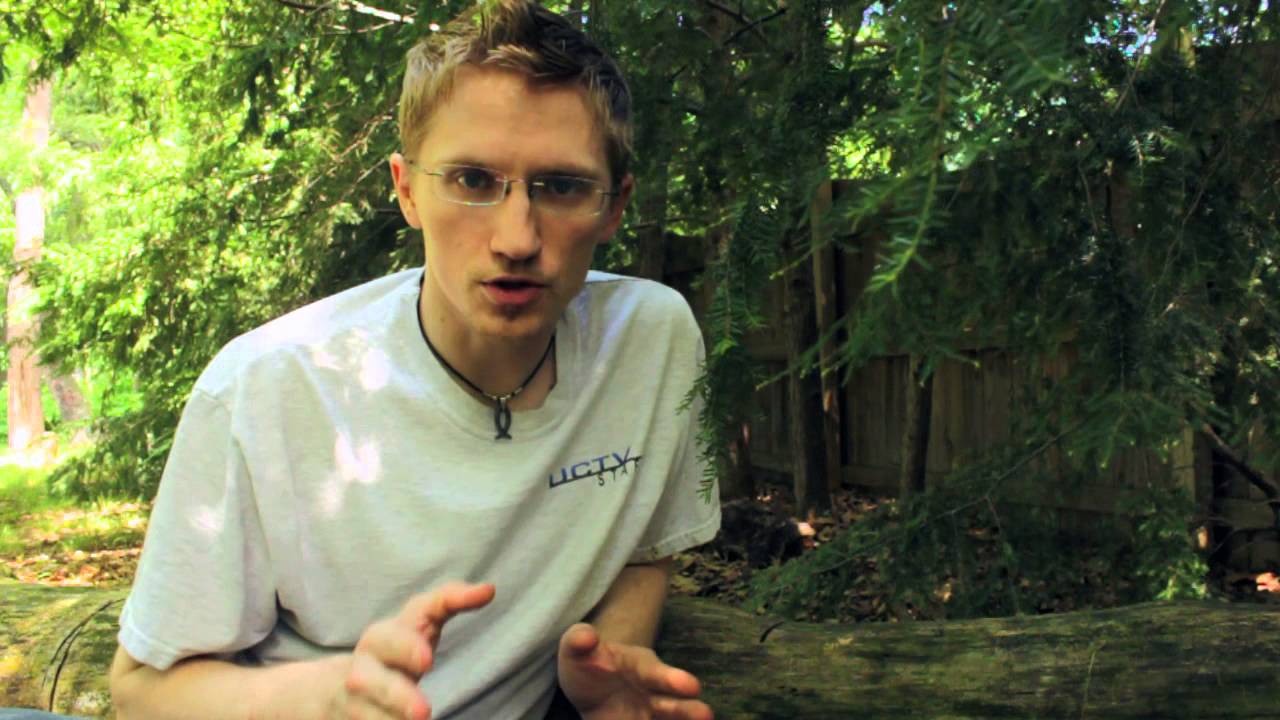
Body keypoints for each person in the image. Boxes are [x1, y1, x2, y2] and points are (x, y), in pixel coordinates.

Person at [60, 1, 722, 719]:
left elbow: (644, 546)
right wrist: (324, 699)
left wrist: (606, 663)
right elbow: (141, 688)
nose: (517, 238)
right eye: (472, 180)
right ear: (407, 190)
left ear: (615, 205)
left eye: (561, 187)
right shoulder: (266, 387)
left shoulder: (650, 342)